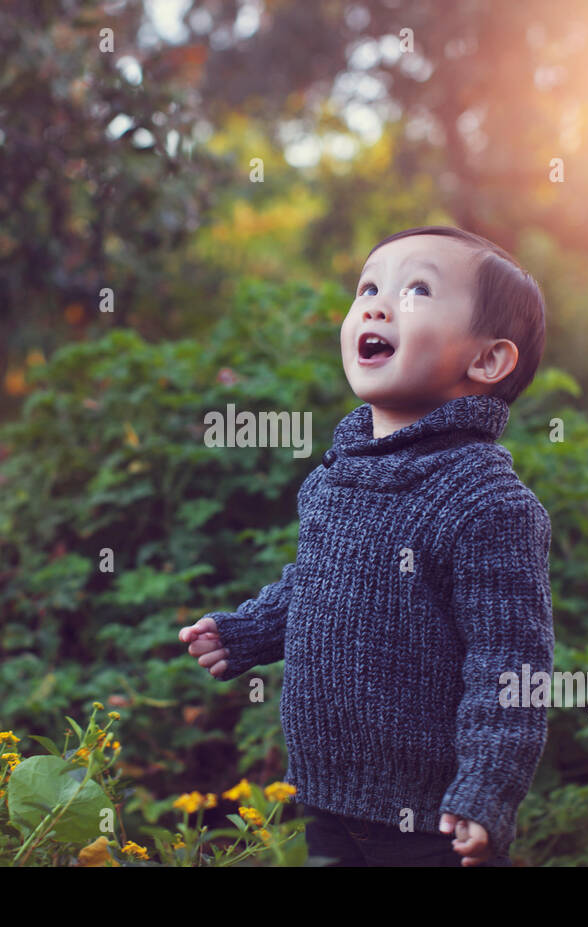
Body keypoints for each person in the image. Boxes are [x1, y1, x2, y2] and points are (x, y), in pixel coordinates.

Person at [180, 225, 554, 867]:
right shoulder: (335, 477)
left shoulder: (487, 501)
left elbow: (510, 666)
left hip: (433, 825)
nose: (377, 305)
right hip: (326, 802)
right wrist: (249, 631)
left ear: (488, 360)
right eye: (369, 287)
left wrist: (485, 789)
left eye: (417, 290)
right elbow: (320, 584)